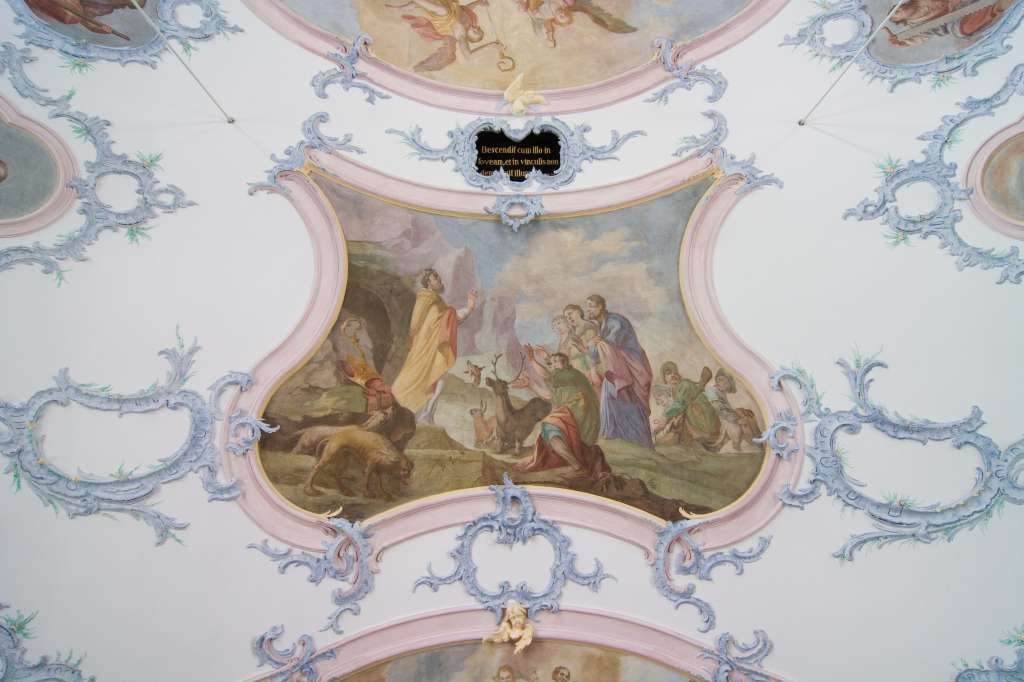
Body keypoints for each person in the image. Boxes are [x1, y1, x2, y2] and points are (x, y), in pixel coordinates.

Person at [391, 268, 477, 423]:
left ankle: (428, 415)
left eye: (438, 277)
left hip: (435, 347)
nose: (439, 280)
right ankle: (405, 412)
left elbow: (449, 321)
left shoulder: (437, 301)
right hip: (425, 349)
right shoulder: (425, 299)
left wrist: (469, 308)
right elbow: (416, 325)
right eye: (435, 278)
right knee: (415, 380)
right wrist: (416, 342)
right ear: (428, 283)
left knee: (440, 378)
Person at [515, 350, 610, 480]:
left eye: (555, 362)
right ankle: (577, 465)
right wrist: (531, 379)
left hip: (581, 413)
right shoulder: (566, 378)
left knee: (549, 426)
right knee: (549, 429)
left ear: (565, 363)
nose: (552, 365)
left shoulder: (569, 375)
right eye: (551, 363)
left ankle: (578, 467)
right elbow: (549, 388)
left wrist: (532, 368)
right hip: (576, 412)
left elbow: (548, 379)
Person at [583, 295, 654, 448]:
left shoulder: (616, 321)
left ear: (600, 306)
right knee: (610, 400)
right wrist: (590, 346)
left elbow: (612, 342)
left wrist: (595, 344)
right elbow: (595, 353)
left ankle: (639, 443)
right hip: (616, 370)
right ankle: (615, 440)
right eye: (587, 306)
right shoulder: (601, 326)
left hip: (630, 368)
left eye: (591, 306)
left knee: (628, 401)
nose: (588, 310)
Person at [655, 363, 720, 449]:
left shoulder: (685, 384)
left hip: (706, 425)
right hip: (700, 424)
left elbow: (679, 405)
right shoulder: (674, 392)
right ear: (665, 379)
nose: (673, 375)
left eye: (675, 372)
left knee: (679, 414)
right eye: (669, 373)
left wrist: (664, 417)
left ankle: (698, 436)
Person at [335, 317, 393, 414]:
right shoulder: (347, 349)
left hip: (364, 373)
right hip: (361, 372)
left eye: (357, 329)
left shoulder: (354, 370)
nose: (355, 332)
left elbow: (362, 363)